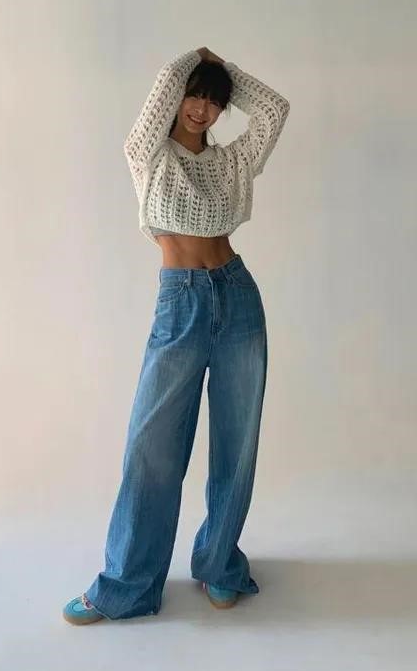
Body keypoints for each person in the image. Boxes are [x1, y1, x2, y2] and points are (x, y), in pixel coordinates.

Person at [63, 46, 290, 624]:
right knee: (152, 448)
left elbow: (274, 110)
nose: (201, 108)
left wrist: (227, 74)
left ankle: (219, 563)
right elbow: (165, 85)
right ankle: (128, 584)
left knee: (236, 445)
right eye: (195, 95)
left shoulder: (232, 161)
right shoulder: (149, 154)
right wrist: (197, 60)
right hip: (181, 302)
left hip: (238, 299)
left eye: (214, 101)